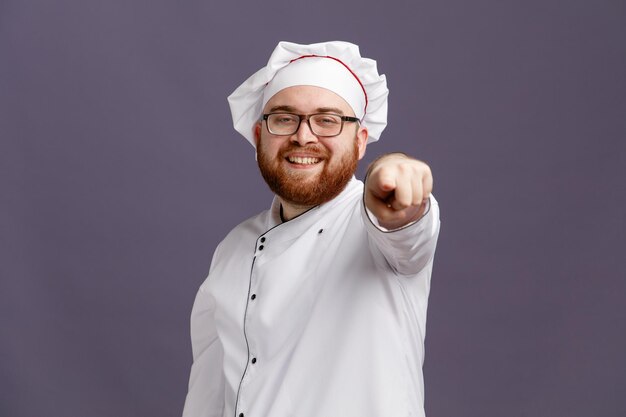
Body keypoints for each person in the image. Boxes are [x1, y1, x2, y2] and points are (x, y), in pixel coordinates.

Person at [182, 41, 440, 417]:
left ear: (360, 139)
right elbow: (207, 392)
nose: (304, 136)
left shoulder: (375, 225)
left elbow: (406, 227)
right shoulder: (233, 249)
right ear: (259, 136)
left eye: (327, 120)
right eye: (284, 118)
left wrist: (395, 172)